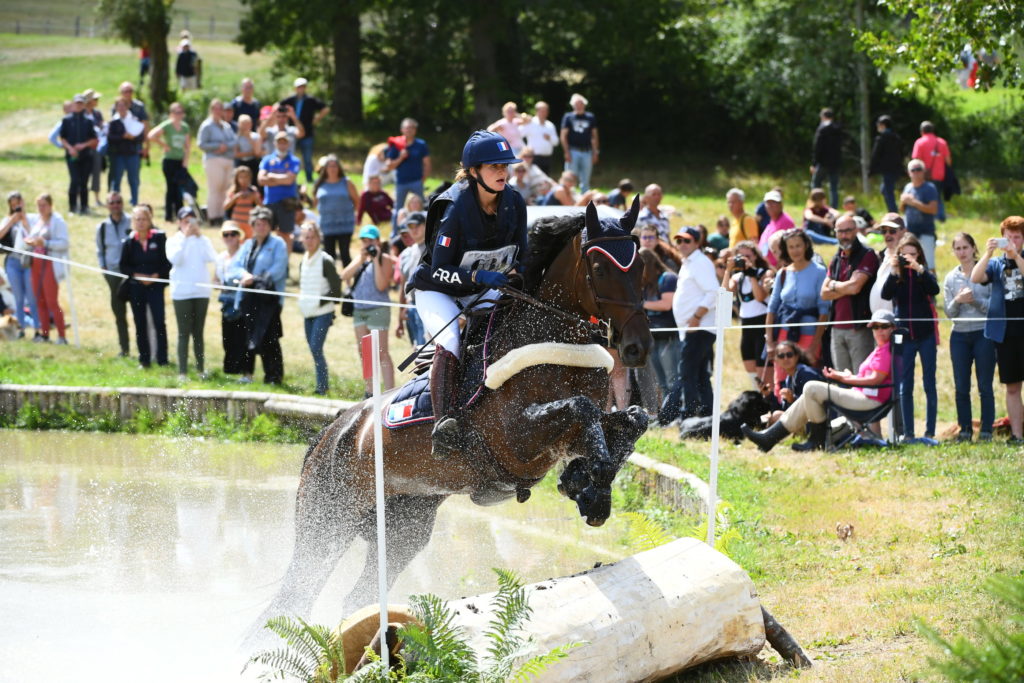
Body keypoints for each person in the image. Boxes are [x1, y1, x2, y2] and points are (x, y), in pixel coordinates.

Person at [409, 130, 527, 457]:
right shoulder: (455, 207)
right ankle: (444, 425)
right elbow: (436, 269)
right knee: (451, 342)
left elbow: (524, 256)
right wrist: (477, 274)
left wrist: (518, 275)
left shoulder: (514, 202)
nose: (503, 172)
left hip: (482, 288)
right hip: (437, 290)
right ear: (474, 171)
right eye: (493, 166)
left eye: (505, 165)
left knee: (504, 330)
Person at [743, 309, 896, 452]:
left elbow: (876, 380)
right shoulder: (880, 349)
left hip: (870, 400)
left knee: (811, 387)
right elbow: (870, 378)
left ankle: (813, 440)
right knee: (809, 393)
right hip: (863, 396)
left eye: (884, 326)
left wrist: (849, 381)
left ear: (893, 328)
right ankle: (771, 438)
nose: (879, 331)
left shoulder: (886, 350)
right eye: (875, 327)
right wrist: (844, 377)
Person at [881, 233, 939, 444]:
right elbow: (886, 295)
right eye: (905, 255)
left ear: (919, 255)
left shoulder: (923, 273)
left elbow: (934, 290)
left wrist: (919, 269)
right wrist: (895, 271)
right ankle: (908, 433)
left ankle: (930, 431)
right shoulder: (897, 275)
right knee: (905, 385)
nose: (909, 259)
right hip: (904, 336)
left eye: (913, 255)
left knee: (929, 383)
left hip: (926, 334)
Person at [971, 215, 1024, 443]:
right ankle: (1017, 435)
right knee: (1012, 387)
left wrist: (1016, 257)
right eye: (1009, 237)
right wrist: (988, 253)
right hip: (1006, 333)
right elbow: (975, 277)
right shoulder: (995, 264)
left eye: (1018, 237)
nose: (1013, 241)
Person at [659, 226, 718, 423]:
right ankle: (707, 415)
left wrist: (696, 317)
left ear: (697, 243)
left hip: (699, 327)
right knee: (699, 374)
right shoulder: (689, 263)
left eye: (687, 240)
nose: (682, 244)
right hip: (694, 328)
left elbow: (713, 292)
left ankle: (690, 414)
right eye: (679, 241)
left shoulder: (700, 262)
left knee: (687, 372)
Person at [226, 207, 288, 384]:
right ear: (252, 226)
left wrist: (256, 279)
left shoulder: (278, 244)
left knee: (270, 338)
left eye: (264, 224)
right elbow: (234, 267)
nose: (261, 227)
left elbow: (279, 268)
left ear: (270, 226)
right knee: (246, 337)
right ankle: (247, 374)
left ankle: (274, 376)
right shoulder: (247, 245)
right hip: (248, 299)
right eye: (257, 224)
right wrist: (244, 276)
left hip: (268, 300)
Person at [944, 232, 995, 441]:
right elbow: (949, 312)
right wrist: (958, 300)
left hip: (983, 334)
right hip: (959, 335)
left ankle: (986, 430)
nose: (962, 252)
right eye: (958, 248)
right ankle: (965, 429)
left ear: (974, 248)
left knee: (985, 385)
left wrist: (974, 302)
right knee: (961, 385)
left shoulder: (988, 273)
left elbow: (994, 307)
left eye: (965, 247)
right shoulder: (950, 277)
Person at [765, 229, 829, 385]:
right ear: (786, 250)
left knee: (806, 379)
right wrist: (770, 342)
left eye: (798, 245)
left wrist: (815, 345)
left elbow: (824, 310)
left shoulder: (819, 272)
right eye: (791, 246)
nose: (795, 250)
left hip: (809, 335)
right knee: (780, 380)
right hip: (784, 336)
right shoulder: (783, 273)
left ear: (806, 245)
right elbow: (772, 308)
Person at [342, 225, 398, 396]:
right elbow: (344, 276)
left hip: (378, 309)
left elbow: (381, 285)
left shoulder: (385, 259)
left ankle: (389, 392)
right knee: (364, 352)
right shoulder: (360, 259)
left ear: (378, 241)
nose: (367, 244)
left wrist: (376, 258)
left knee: (381, 352)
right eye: (364, 241)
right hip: (360, 310)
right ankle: (369, 391)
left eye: (370, 240)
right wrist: (360, 259)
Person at [821, 214, 879, 373]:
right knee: (841, 380)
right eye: (840, 231)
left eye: (848, 231)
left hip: (858, 328)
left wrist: (833, 285)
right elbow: (824, 294)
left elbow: (855, 288)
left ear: (856, 230)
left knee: (861, 379)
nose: (844, 235)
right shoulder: (836, 258)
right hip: (836, 329)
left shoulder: (867, 255)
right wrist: (844, 287)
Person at [167, 207, 218, 381]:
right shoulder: (174, 240)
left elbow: (211, 257)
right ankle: (182, 372)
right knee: (184, 332)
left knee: (198, 332)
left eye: (192, 221)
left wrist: (200, 237)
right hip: (182, 292)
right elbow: (176, 259)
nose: (189, 225)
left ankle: (200, 370)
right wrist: (186, 238)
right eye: (185, 221)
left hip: (201, 291)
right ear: (179, 223)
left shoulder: (203, 240)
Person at [120, 205, 170, 367]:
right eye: (137, 219)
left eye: (144, 219)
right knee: (140, 323)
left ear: (150, 220)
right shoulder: (129, 242)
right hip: (137, 287)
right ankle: (144, 359)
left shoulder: (159, 238)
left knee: (159, 322)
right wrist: (138, 276)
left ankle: (162, 359)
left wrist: (155, 276)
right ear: (133, 222)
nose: (140, 223)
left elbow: (166, 263)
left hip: (156, 286)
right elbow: (124, 266)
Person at [298, 223, 341, 395]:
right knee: (313, 349)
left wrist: (319, 302)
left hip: (323, 312)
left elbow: (336, 290)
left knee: (316, 347)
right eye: (306, 237)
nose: (309, 240)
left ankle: (322, 387)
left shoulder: (325, 260)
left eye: (312, 237)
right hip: (307, 312)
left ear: (318, 238)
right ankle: (321, 385)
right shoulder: (303, 260)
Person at [22, 194, 69, 344]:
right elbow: (33, 238)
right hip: (35, 263)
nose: (41, 208)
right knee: (39, 300)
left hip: (50, 264)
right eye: (39, 205)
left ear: (50, 205)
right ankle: (45, 334)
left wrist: (45, 243)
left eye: (44, 205)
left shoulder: (58, 221)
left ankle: (62, 336)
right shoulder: (37, 221)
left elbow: (64, 243)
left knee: (51, 301)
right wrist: (31, 241)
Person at [724, 240, 770, 389]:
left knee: (763, 370)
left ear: (755, 256)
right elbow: (725, 293)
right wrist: (728, 270)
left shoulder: (764, 273)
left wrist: (752, 274)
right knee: (751, 370)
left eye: (748, 256)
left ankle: (769, 402)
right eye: (740, 257)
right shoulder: (737, 277)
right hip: (746, 326)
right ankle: (758, 399)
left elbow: (760, 297)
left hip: (762, 324)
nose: (744, 260)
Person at [639, 247, 679, 403]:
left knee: (672, 378)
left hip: (669, 336)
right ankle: (666, 416)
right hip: (653, 337)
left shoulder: (668, 278)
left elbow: (666, 304)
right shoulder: (646, 285)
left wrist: (641, 304)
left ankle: (675, 414)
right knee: (661, 382)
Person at [95, 192, 133, 356]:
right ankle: (124, 349)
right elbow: (100, 251)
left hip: (132, 274)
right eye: (112, 203)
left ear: (122, 203)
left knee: (139, 314)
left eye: (118, 202)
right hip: (113, 274)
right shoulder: (102, 227)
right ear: (107, 205)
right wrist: (104, 268)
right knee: (119, 314)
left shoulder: (132, 221)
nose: (115, 205)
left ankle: (145, 351)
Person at [214, 221, 252, 378]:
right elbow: (215, 279)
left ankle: (246, 372)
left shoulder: (244, 255)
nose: (229, 237)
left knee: (242, 337)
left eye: (233, 234)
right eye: (226, 234)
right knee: (227, 337)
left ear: (238, 237)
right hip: (226, 300)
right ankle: (231, 371)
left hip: (241, 300)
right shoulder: (221, 257)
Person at [1, 192, 40, 338]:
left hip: (28, 261)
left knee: (31, 296)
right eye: (13, 205)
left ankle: (37, 330)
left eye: (18, 203)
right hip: (12, 262)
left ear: (23, 202)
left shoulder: (33, 218)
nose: (16, 207)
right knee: (18, 297)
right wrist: (12, 221)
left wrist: (24, 221)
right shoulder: (7, 219)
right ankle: (21, 329)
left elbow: (35, 236)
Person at [147, 102, 191, 222]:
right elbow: (151, 135)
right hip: (169, 160)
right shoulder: (167, 126)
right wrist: (164, 145)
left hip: (180, 161)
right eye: (177, 112)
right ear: (171, 114)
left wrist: (185, 162)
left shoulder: (185, 127)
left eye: (181, 112)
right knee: (171, 188)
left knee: (179, 189)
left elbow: (187, 146)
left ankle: (180, 214)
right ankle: (169, 215)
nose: (179, 115)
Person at [281, 77, 330, 184]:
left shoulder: (311, 100)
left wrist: (317, 119)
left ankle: (309, 179)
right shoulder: (290, 100)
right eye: (299, 87)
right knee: (289, 156)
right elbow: (277, 106)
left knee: (307, 158)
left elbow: (326, 108)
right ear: (295, 88)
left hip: (307, 133)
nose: (301, 89)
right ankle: (289, 177)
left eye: (303, 87)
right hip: (292, 134)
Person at [313, 154, 359, 266]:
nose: (332, 168)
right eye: (329, 166)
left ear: (339, 168)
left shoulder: (346, 182)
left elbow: (357, 200)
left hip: (345, 223)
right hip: (327, 224)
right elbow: (315, 203)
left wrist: (356, 214)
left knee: (345, 254)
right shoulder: (319, 183)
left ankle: (349, 281)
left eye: (335, 166)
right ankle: (330, 282)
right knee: (328, 256)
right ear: (325, 168)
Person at [385, 118, 431, 228]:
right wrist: (400, 157)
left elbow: (427, 163)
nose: (409, 130)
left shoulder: (421, 144)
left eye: (412, 128)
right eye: (407, 128)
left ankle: (422, 232)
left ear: (415, 130)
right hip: (401, 182)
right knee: (398, 209)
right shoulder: (396, 144)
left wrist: (423, 179)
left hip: (417, 181)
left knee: (420, 208)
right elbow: (389, 165)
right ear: (402, 129)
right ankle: (396, 234)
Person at [258, 131, 301, 250]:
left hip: (286, 202)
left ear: (288, 144)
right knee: (265, 231)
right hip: (270, 201)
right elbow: (261, 180)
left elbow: (289, 180)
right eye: (279, 142)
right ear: (274, 143)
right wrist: (281, 178)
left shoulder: (294, 160)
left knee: (285, 233)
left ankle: (285, 261)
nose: (282, 145)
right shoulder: (267, 159)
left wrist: (271, 176)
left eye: (284, 142)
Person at [197, 100, 236, 227]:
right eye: (216, 108)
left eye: (221, 108)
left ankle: (221, 215)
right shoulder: (207, 126)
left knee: (225, 189)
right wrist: (217, 146)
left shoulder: (226, 126)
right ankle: (213, 216)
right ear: (212, 109)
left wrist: (225, 146)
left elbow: (234, 141)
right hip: (213, 159)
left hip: (227, 160)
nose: (218, 111)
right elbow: (201, 144)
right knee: (215, 188)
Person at [766, 339, 824, 425]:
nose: (785, 358)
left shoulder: (806, 374)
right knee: (774, 415)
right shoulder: (789, 378)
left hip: (819, 420)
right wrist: (768, 394)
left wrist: (792, 399)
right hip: (808, 419)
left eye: (789, 355)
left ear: (796, 356)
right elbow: (784, 409)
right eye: (781, 356)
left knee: (777, 416)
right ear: (776, 360)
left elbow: (812, 404)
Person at [59, 94, 98, 215]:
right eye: (77, 103)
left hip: (86, 156)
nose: (79, 105)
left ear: (84, 105)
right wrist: (70, 148)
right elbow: (62, 137)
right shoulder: (67, 120)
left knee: (84, 181)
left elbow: (94, 139)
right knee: (74, 180)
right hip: (72, 155)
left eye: (81, 103)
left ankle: (84, 206)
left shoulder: (89, 121)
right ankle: (72, 206)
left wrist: (83, 145)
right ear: (73, 104)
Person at [900, 159, 940, 270]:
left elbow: (933, 209)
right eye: (913, 170)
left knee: (929, 265)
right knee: (908, 264)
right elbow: (903, 209)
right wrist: (903, 201)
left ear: (923, 171)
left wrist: (914, 202)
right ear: (909, 173)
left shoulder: (929, 188)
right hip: (910, 232)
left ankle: (933, 286)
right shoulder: (907, 187)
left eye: (919, 169)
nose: (916, 172)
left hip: (926, 231)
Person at [107, 97, 144, 207]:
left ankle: (134, 201)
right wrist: (122, 136)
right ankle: (115, 202)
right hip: (118, 155)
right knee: (116, 179)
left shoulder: (134, 120)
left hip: (132, 154)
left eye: (123, 105)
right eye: (119, 106)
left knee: (133, 179)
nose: (121, 108)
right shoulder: (113, 122)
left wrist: (132, 138)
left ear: (127, 107)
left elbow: (140, 137)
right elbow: (110, 138)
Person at [397, 211, 426, 346]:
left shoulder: (432, 249)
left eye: (417, 226)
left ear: (425, 225)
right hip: (411, 306)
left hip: (426, 306)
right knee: (416, 349)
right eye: (410, 226)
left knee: (424, 351)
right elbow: (404, 283)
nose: (413, 230)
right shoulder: (408, 252)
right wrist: (403, 309)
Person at [868, 212, 907, 314]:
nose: (887, 234)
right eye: (884, 231)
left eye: (892, 231)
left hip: (899, 320)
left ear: (904, 231)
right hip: (879, 323)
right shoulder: (880, 256)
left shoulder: (910, 256)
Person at [560, 93, 598, 192]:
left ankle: (584, 201)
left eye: (581, 104)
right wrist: (566, 152)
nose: (579, 106)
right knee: (570, 177)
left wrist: (595, 152)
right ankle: (569, 199)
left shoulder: (590, 117)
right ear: (573, 105)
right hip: (573, 151)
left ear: (584, 105)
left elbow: (594, 136)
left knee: (586, 179)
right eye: (576, 104)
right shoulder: (568, 117)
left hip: (587, 151)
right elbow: (563, 136)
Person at [869, 115, 904, 213]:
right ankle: (892, 210)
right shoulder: (897, 138)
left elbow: (875, 155)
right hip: (896, 169)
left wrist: (871, 171)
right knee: (884, 190)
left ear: (883, 125)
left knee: (888, 192)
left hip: (887, 170)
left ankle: (893, 213)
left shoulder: (881, 139)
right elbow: (901, 153)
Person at [911, 121, 952, 202]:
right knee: (937, 198)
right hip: (939, 176)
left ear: (922, 131)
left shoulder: (919, 142)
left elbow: (915, 161)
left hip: (924, 175)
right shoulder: (942, 142)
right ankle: (940, 214)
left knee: (924, 200)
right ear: (933, 130)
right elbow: (948, 162)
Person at [811, 107, 843, 209]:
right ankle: (834, 207)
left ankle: (816, 204)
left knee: (816, 184)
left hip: (823, 162)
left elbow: (817, 147)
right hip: (835, 163)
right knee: (833, 187)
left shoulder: (822, 129)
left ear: (823, 117)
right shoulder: (838, 129)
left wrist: (814, 163)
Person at [757, 190, 796, 268]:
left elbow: (787, 250)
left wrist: (776, 271)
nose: (770, 205)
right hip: (765, 266)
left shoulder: (785, 221)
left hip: (776, 268)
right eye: (768, 203)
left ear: (781, 204)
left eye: (773, 202)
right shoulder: (772, 221)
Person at [519, 101, 559, 174]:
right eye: (542, 111)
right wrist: (524, 148)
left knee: (545, 181)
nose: (544, 113)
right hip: (532, 158)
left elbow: (556, 142)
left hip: (547, 158)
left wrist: (549, 138)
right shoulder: (530, 123)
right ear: (536, 111)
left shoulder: (550, 125)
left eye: (545, 111)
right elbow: (518, 135)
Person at [224, 166, 261, 240]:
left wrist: (254, 197)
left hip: (249, 224)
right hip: (236, 224)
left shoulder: (253, 190)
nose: (244, 180)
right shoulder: (233, 191)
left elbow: (261, 206)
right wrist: (235, 197)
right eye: (241, 177)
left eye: (246, 177)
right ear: (236, 179)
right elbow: (225, 206)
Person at [82, 89, 105, 207]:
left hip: (96, 147)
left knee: (96, 172)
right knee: (83, 174)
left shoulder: (97, 114)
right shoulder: (81, 114)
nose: (97, 101)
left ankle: (97, 198)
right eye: (95, 99)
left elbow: (102, 127)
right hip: (85, 148)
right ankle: (82, 198)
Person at [233, 113, 262, 183]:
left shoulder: (256, 136)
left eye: (247, 124)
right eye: (243, 124)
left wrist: (249, 138)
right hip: (241, 163)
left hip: (254, 164)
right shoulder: (236, 137)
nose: (245, 126)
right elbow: (236, 154)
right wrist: (251, 153)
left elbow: (257, 153)